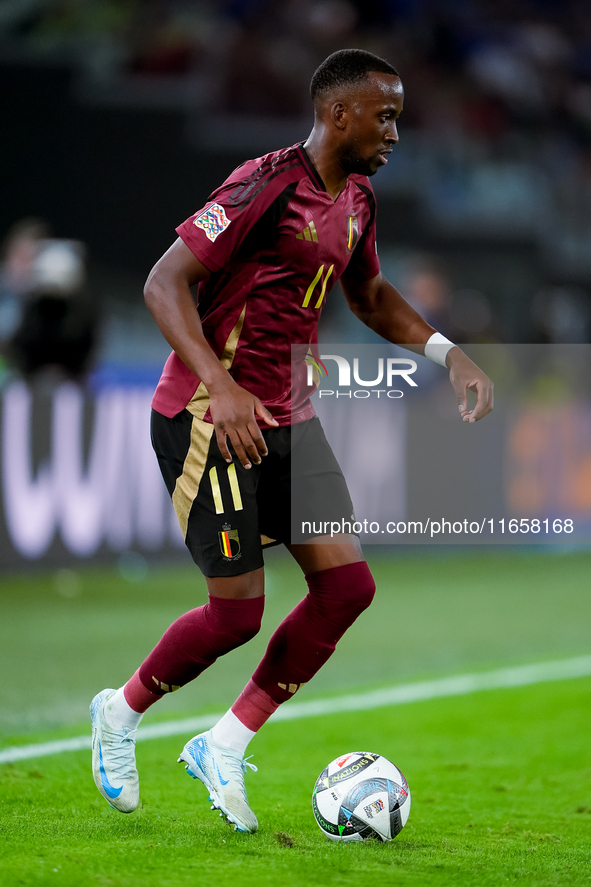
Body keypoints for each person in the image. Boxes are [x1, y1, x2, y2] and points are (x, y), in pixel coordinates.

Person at [90, 48, 493, 834]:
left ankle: (224, 741)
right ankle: (119, 709)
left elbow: (369, 294)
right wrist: (224, 382)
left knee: (347, 589)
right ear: (337, 113)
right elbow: (162, 281)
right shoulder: (264, 182)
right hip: (211, 415)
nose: (394, 133)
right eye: (385, 116)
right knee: (236, 613)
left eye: (398, 117)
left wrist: (447, 353)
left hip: (289, 417)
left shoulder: (358, 200)